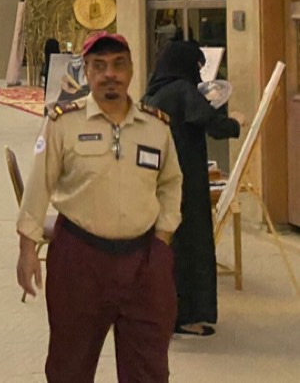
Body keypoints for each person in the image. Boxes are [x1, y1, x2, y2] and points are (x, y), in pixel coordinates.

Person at [16, 31, 183, 382]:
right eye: (99, 66)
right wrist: (27, 248)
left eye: (119, 65)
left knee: (148, 368)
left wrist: (163, 238)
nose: (110, 74)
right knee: (70, 365)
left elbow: (170, 183)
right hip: (80, 258)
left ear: (131, 70)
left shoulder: (156, 127)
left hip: (144, 261)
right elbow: (39, 185)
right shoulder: (63, 123)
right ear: (86, 72)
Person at [143, 41, 241, 337]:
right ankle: (189, 316)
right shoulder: (182, 90)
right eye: (196, 67)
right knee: (191, 246)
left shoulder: (153, 93)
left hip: (158, 180)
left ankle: (163, 311)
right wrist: (236, 123)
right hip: (186, 179)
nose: (199, 73)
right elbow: (213, 124)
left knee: (168, 247)